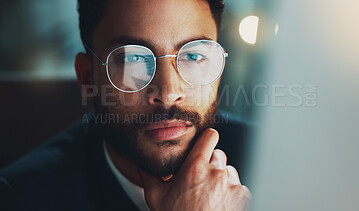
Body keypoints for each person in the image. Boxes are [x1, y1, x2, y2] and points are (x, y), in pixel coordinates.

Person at [0, 0, 252, 210]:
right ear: (88, 78)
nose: (168, 93)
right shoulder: (22, 199)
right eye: (133, 59)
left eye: (194, 56)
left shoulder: (273, 159)